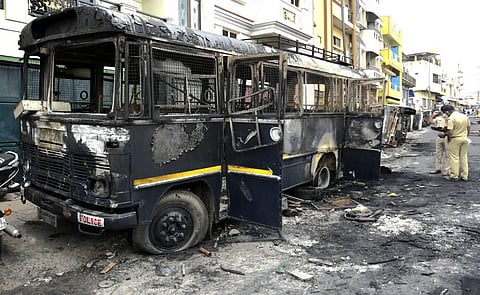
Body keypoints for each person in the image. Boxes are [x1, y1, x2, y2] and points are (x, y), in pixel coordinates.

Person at [441, 104, 471, 181]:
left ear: (447, 112)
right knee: (464, 157)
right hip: (464, 138)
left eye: (445, 112)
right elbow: (468, 127)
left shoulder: (451, 118)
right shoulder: (464, 116)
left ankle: (454, 175)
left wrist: (449, 139)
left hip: (455, 139)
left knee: (454, 158)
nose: (445, 114)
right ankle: (465, 176)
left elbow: (450, 131)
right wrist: (466, 135)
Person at [427, 107, 450, 175]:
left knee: (447, 154)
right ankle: (438, 169)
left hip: (446, 137)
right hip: (439, 137)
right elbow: (430, 122)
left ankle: (447, 170)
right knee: (438, 154)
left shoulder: (450, 118)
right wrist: (432, 115)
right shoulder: (439, 118)